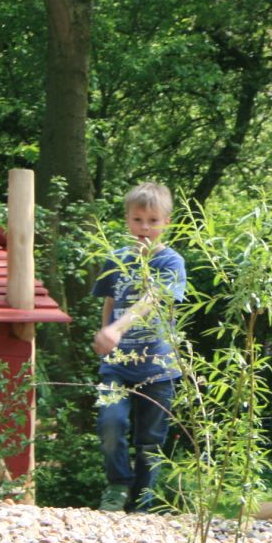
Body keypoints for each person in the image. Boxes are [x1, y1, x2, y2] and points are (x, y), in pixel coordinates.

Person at [92, 182, 186, 512]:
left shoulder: (171, 262)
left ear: (166, 223)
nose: (144, 227)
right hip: (116, 364)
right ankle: (117, 486)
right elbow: (110, 299)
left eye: (152, 220)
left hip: (158, 368)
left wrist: (116, 329)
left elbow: (153, 300)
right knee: (110, 422)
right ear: (126, 219)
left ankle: (144, 502)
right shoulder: (115, 259)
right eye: (137, 219)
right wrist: (105, 331)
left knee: (150, 441)